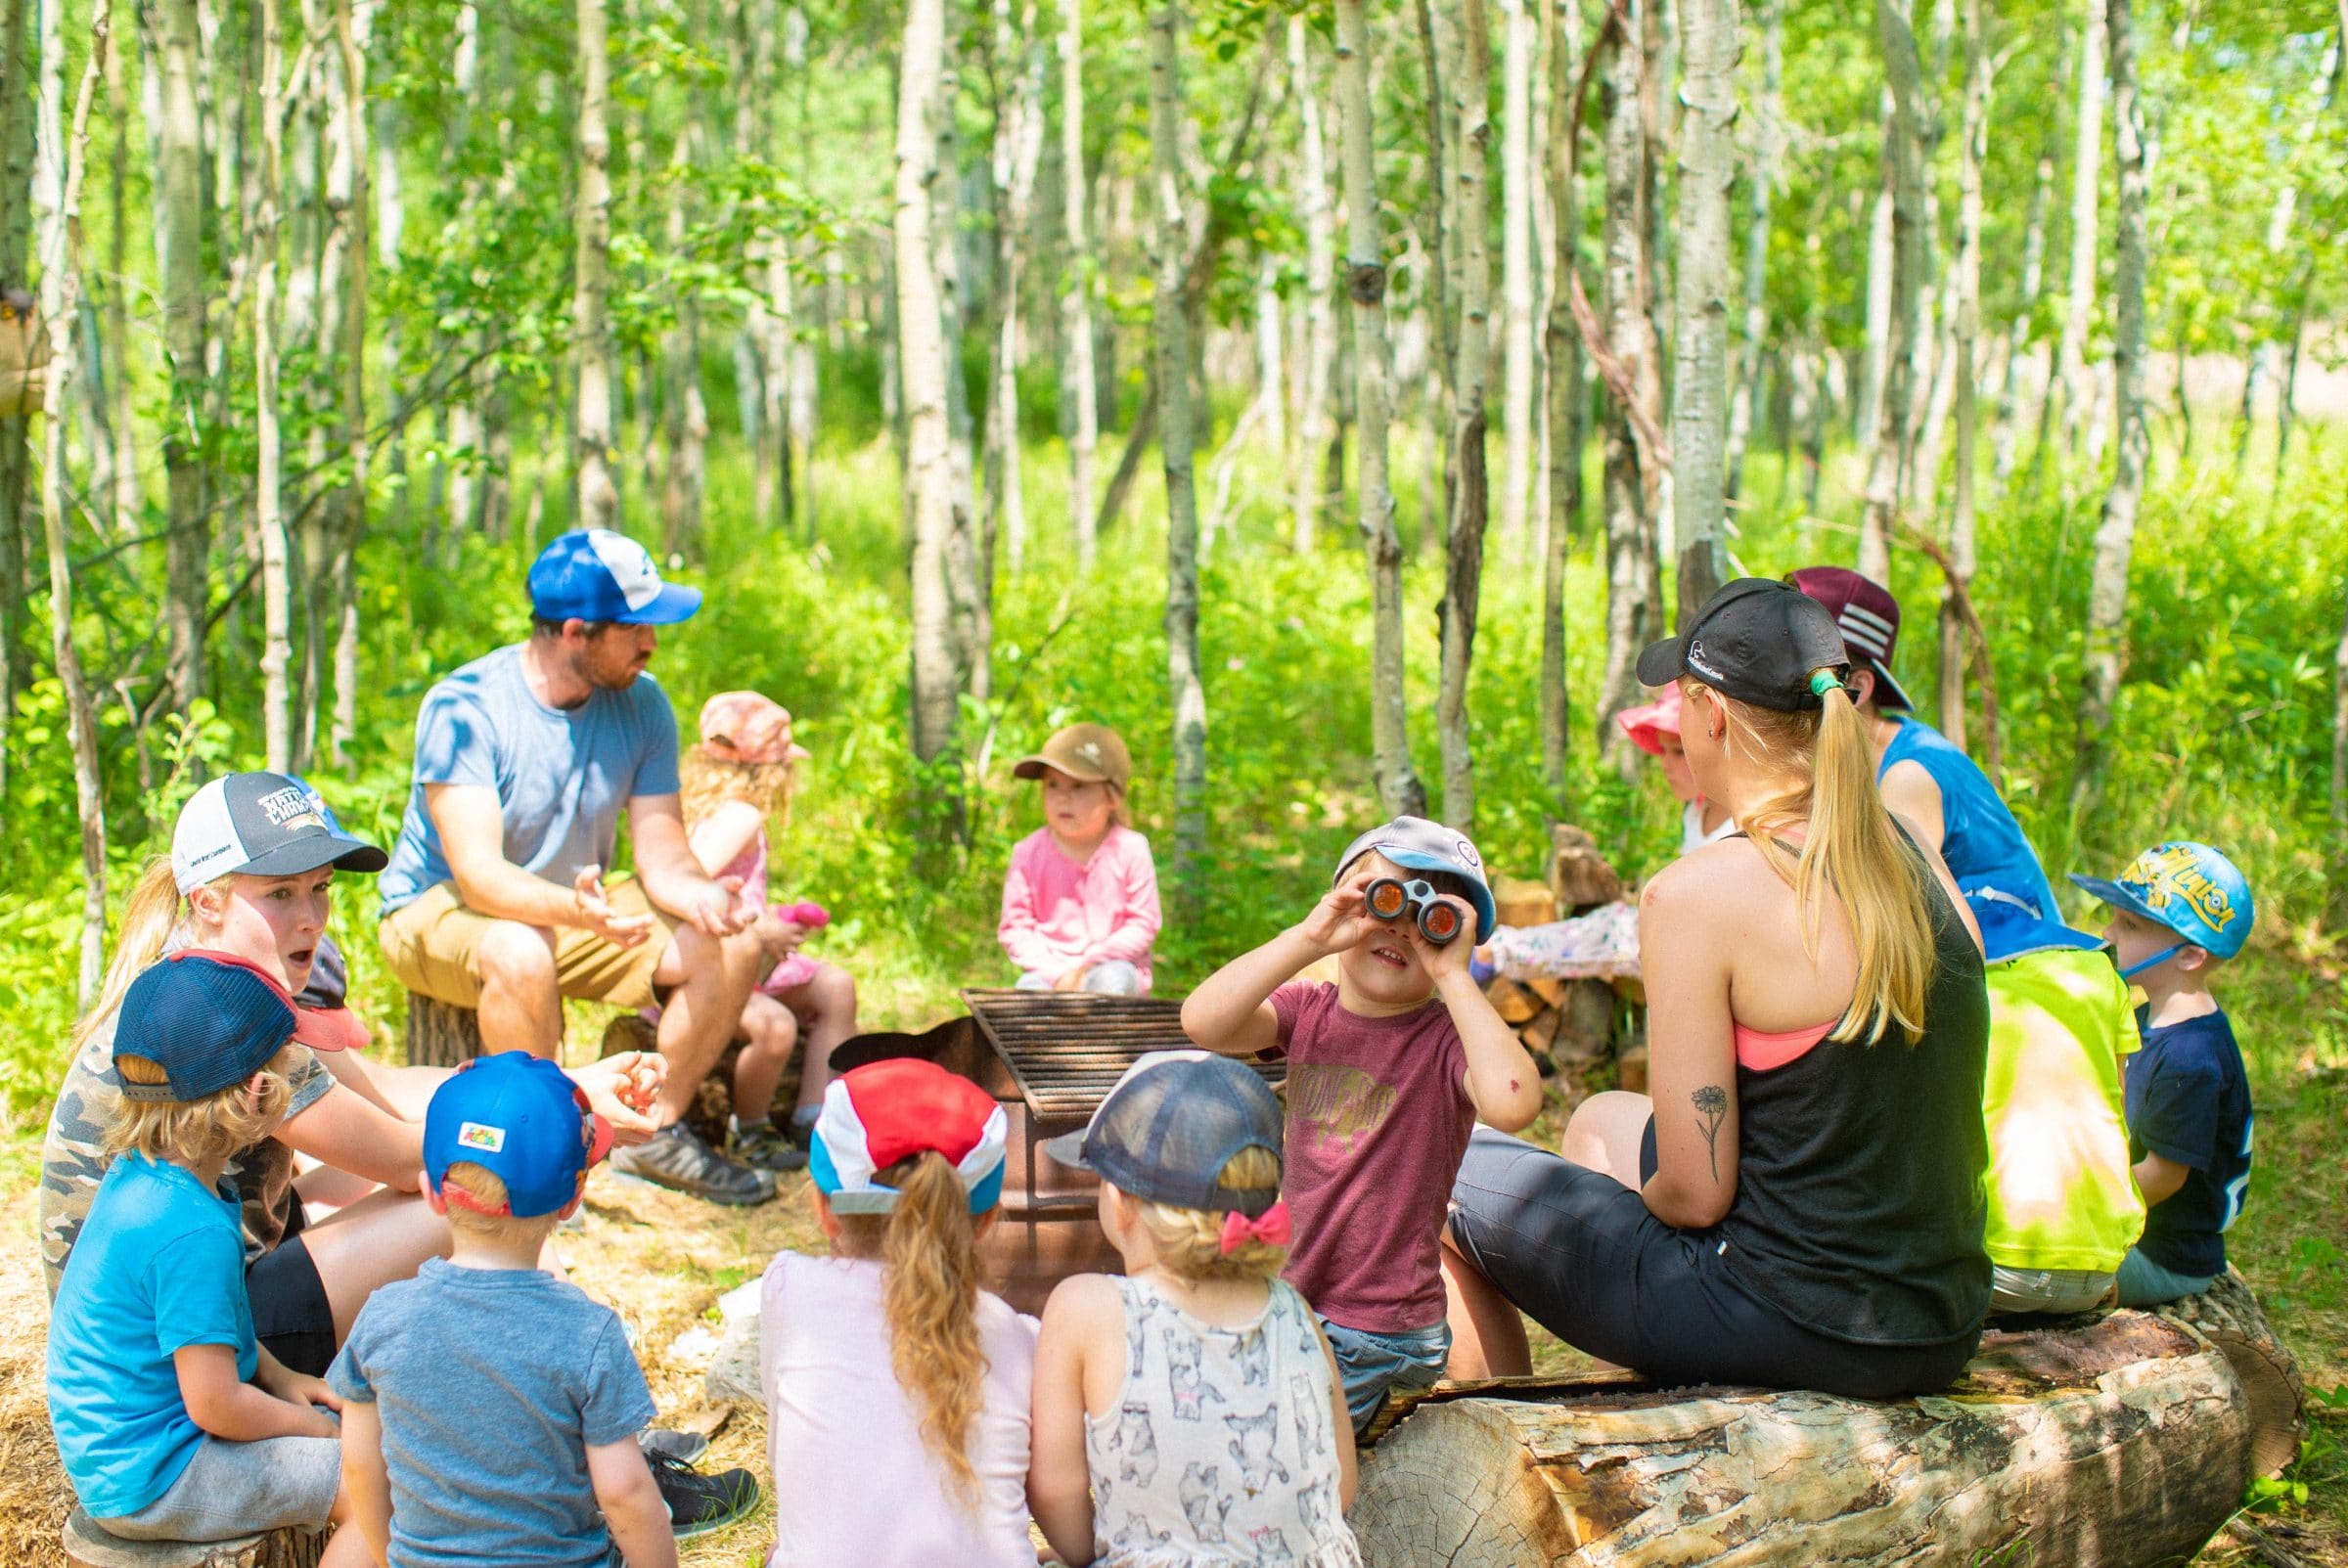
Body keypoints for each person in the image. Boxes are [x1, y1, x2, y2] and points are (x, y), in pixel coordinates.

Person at [1442, 579, 1994, 1398]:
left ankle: (1496, 1426)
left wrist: (1626, 1224)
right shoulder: (1909, 846)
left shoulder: (1698, 896)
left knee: (1437, 1161)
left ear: (1714, 716)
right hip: (1934, 1321)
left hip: (1789, 1317)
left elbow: (1695, 1196)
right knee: (1598, 1120)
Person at [40, 772, 664, 1375]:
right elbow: (410, 1157)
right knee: (463, 1193)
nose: (312, 917)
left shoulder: (210, 978)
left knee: (403, 1180)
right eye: (281, 894)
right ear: (207, 899)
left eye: (320, 888)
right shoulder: (216, 1012)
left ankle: (565, 1398)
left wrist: (567, 1078)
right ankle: (579, 1411)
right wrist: (575, 1114)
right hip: (168, 1355)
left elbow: (386, 1091)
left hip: (178, 1306)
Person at [376, 528, 772, 1204]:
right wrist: (571, 910)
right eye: (636, 629)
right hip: (439, 909)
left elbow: (662, 849)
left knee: (736, 942)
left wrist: (703, 896)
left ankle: (654, 1129)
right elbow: (479, 875)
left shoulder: (643, 702)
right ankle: (539, 1153)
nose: (652, 643)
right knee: (520, 949)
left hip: (573, 906)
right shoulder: (464, 706)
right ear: (574, 630)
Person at [1791, 564, 2143, 1316]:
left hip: (2006, 999)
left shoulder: (1907, 773)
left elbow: (1893, 917)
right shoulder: (1888, 755)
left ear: (1852, 686)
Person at [1181, 818, 1543, 1433]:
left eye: (1435, 916)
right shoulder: (1308, 1010)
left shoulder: (1445, 1041)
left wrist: (1455, 976)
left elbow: (1513, 1104)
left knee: (1280, 1457)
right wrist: (1307, 939)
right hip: (1298, 1300)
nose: (1402, 927)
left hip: (1376, 1329)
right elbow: (1204, 1022)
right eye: (1385, 898)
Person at [331, 1052, 758, 1567]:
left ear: (430, 1192)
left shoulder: (382, 1317)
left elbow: (359, 1467)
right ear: (572, 1199)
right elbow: (625, 1494)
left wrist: (386, 1558)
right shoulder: (588, 1333)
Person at [46, 957, 370, 1563]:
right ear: (257, 1093)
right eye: (285, 1067)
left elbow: (220, 1331)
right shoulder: (189, 1228)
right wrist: (315, 1430)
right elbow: (216, 1404)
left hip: (128, 1456)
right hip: (155, 1478)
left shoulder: (155, 1176)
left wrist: (283, 1380)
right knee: (368, 1484)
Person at [1028, 1051, 1362, 1568]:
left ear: (1119, 1201)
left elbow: (1054, 1489)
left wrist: (1084, 1556)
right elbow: (1338, 1482)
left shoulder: (1087, 1307)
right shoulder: (1293, 1309)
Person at [758, 1059, 1037, 1567]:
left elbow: (786, 1459)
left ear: (824, 1209)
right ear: (986, 1221)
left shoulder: (788, 1291)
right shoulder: (1016, 1337)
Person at [675, 690, 860, 1172]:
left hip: (744, 954)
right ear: (766, 770)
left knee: (836, 988)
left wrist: (771, 918)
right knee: (775, 1027)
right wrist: (761, 929)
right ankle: (751, 1130)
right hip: (717, 964)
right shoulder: (741, 815)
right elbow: (691, 889)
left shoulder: (719, 809)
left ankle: (813, 1116)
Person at [2070, 841, 2257, 1307]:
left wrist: (2077, 1213)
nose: (2108, 934)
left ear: (2190, 956)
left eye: (2129, 925)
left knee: (2024, 1274)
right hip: (2135, 1231)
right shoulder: (2145, 1018)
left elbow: (2161, 1177)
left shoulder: (2191, 1060)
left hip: (2163, 1256)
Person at [1468, 686, 1728, 986]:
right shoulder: (1696, 812)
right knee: (1614, 926)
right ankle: (1494, 953)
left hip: (1702, 952)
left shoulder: (1739, 823)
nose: (1665, 764)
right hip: (1679, 936)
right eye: (1663, 750)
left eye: (1678, 751)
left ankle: (1494, 955)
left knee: (1613, 932)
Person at [1000, 723, 1161, 995]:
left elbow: (1143, 923)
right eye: (1052, 785)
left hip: (1111, 964)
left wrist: (1088, 965)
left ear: (1113, 796)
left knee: (1112, 982)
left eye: (1078, 786)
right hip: (1048, 971)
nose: (1063, 796)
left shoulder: (1131, 848)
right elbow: (1016, 928)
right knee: (1026, 994)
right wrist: (1058, 973)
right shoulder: (1028, 852)